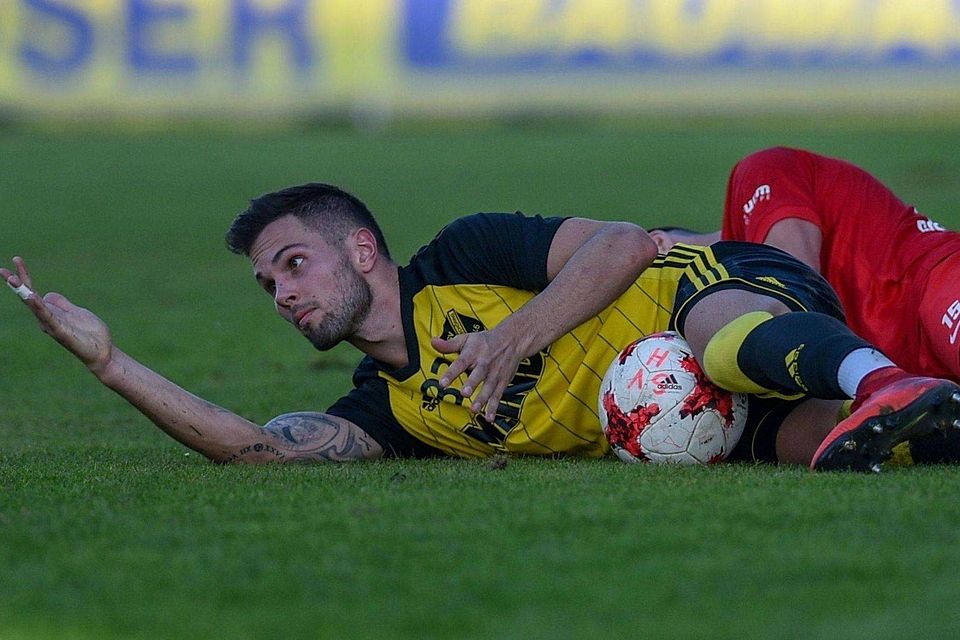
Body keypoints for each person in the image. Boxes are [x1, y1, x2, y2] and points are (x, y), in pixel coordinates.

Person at [4, 183, 960, 472]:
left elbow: (626, 244)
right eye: (268, 285)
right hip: (689, 423)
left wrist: (515, 338)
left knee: (715, 339)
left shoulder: (465, 256)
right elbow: (258, 449)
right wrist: (108, 362)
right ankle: (923, 423)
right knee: (839, 454)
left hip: (711, 286)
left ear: (364, 250)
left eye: (294, 263)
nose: (283, 292)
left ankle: (881, 378)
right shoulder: (393, 410)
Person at [648, 146, 960, 464]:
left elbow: (797, 284)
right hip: (920, 375)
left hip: (935, 280)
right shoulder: (743, 302)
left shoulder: (758, 171)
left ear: (660, 245)